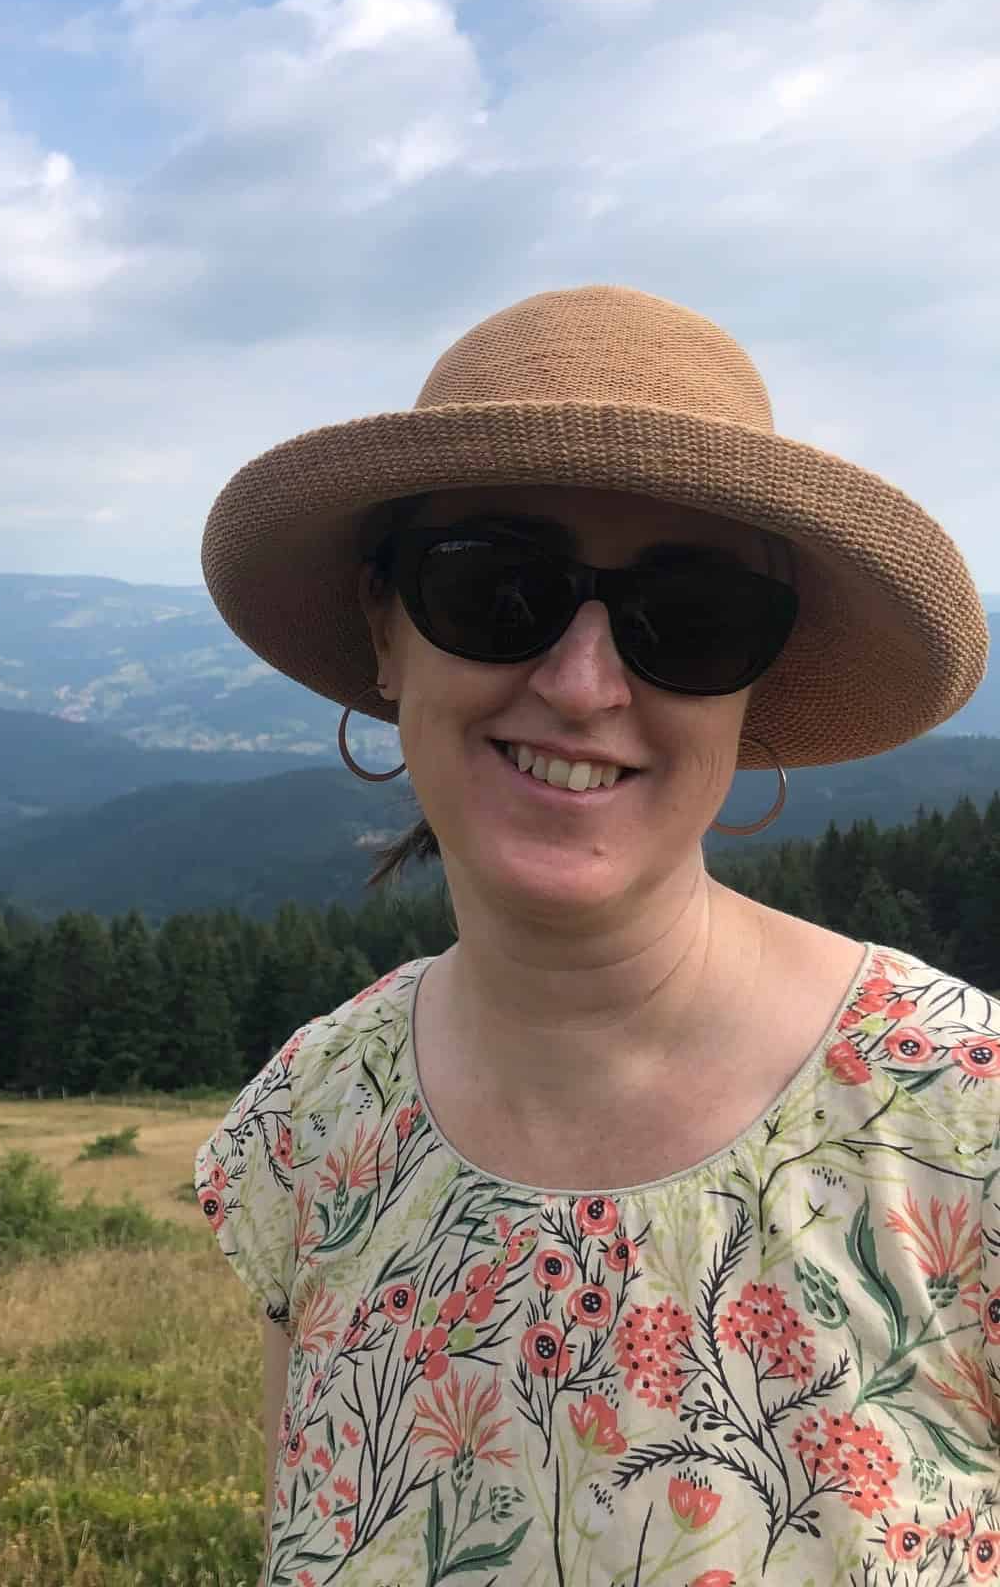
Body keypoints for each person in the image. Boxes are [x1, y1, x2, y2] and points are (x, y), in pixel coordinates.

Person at [193, 285, 994, 1587]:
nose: (581, 683)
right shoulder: (313, 1128)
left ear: (755, 684)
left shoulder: (964, 1124)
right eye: (494, 588)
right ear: (387, 629)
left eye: (695, 615)